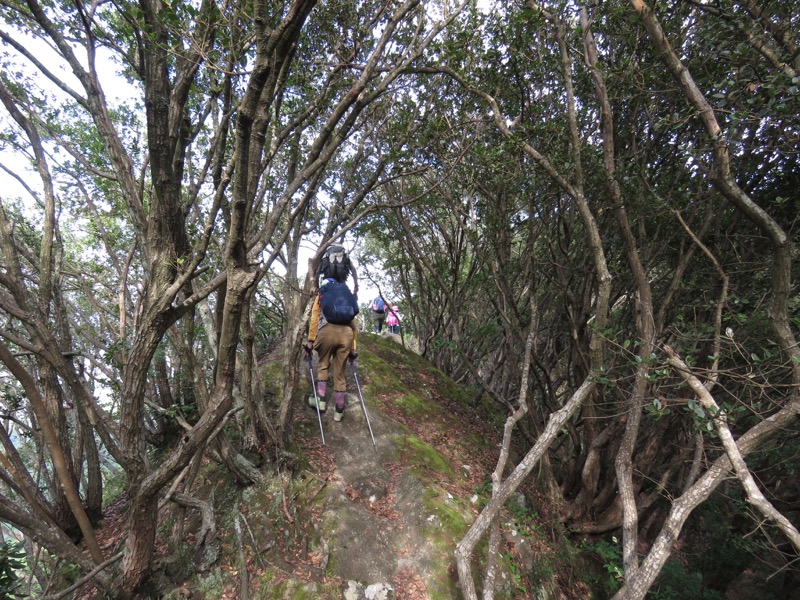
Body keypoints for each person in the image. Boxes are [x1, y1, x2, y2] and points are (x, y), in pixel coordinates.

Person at [305, 249, 359, 422]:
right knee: (340, 373)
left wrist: (311, 341)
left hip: (326, 331)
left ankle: (320, 401)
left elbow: (315, 317)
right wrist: (353, 347)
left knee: (323, 364)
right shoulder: (347, 292)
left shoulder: (323, 291)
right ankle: (339, 411)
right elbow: (353, 322)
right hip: (347, 334)